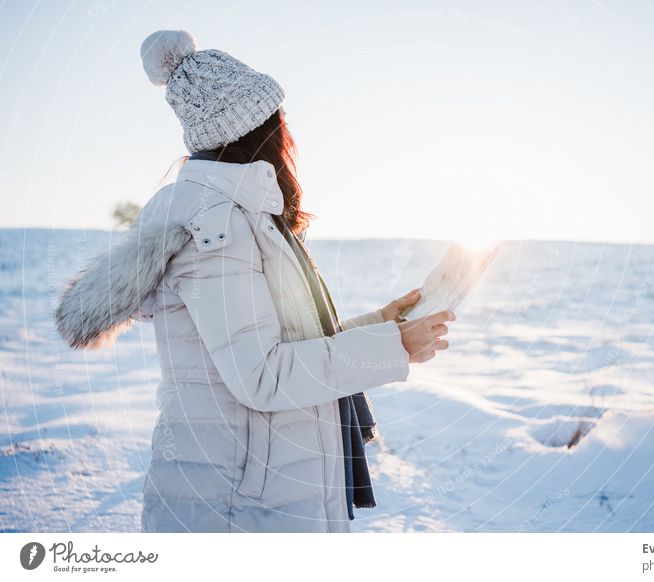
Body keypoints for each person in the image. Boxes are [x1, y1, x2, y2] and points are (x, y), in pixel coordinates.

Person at [53, 29, 454, 532]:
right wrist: (391, 346)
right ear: (261, 128)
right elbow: (262, 375)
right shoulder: (215, 226)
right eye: (281, 118)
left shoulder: (243, 217)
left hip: (263, 494)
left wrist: (381, 323)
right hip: (236, 509)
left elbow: (276, 342)